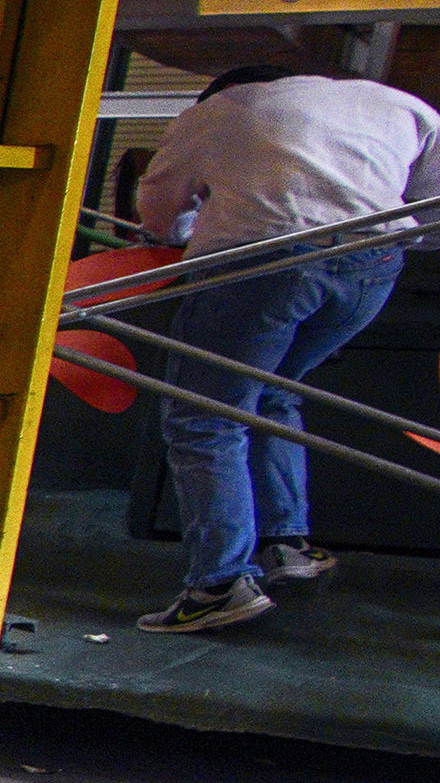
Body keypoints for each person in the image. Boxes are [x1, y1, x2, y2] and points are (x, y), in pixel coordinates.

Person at [124, 63, 435, 633]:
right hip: (373, 267)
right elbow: (430, 204)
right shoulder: (397, 103)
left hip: (263, 267)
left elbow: (160, 206)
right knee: (270, 393)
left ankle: (217, 586)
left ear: (224, 90)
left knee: (205, 417)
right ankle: (287, 546)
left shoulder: (216, 113)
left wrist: (170, 236)